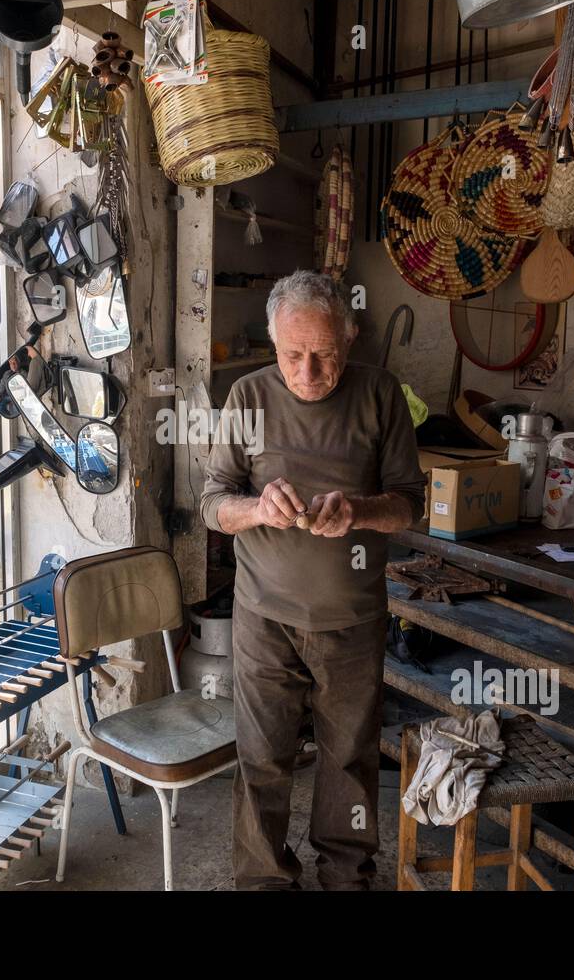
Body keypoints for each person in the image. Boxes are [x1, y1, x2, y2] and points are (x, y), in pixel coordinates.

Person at [199, 270, 425, 890]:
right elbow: (213, 502)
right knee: (262, 759)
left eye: (324, 354)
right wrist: (256, 509)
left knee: (349, 763)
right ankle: (264, 882)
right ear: (273, 345)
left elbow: (411, 503)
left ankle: (346, 879)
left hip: (352, 621)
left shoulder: (382, 394)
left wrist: (358, 511)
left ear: (349, 339)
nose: (308, 372)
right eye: (293, 355)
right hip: (264, 617)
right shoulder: (247, 397)